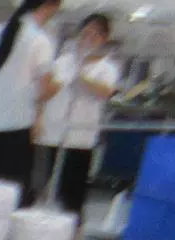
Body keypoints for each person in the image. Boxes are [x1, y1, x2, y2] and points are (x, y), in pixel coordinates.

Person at [0, 0, 63, 199]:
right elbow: (44, 90)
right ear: (49, 7)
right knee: (6, 201)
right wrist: (58, 85)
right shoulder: (40, 41)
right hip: (14, 134)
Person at [34, 12, 121, 217]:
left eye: (95, 34)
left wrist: (81, 75)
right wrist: (37, 119)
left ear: (104, 38)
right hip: (51, 134)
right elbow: (44, 92)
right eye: (85, 33)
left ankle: (73, 231)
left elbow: (106, 92)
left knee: (72, 196)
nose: (88, 38)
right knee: (38, 187)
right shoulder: (62, 62)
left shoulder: (107, 68)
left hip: (80, 139)